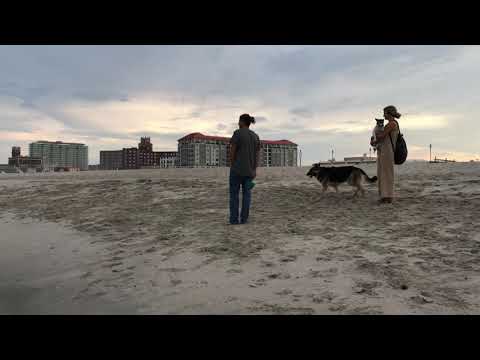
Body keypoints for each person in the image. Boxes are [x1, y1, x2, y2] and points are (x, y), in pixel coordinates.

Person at [229, 113, 260, 224]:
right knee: (247, 196)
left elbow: (232, 151)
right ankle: (244, 219)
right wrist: (254, 169)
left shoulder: (237, 133)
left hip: (237, 170)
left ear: (242, 122)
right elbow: (257, 155)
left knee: (234, 196)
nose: (238, 123)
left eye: (239, 121)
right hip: (250, 171)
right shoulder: (255, 136)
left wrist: (232, 165)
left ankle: (234, 220)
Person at [370, 105, 401, 204]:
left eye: (384, 113)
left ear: (389, 113)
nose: (383, 115)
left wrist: (374, 139)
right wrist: (374, 140)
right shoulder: (390, 124)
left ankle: (388, 197)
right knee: (382, 173)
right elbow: (379, 138)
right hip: (383, 151)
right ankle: (385, 196)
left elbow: (381, 136)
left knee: (386, 174)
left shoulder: (391, 124)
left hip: (387, 152)